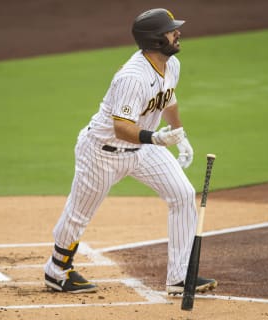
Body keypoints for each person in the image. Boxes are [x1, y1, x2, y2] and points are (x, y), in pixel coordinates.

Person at [43, 8, 217, 295]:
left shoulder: (171, 66)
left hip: (142, 149)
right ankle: (57, 271)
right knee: (78, 215)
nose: (178, 33)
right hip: (103, 153)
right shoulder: (132, 78)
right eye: (171, 30)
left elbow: (168, 98)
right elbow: (121, 127)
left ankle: (179, 277)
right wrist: (156, 138)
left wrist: (179, 133)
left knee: (183, 194)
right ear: (155, 39)